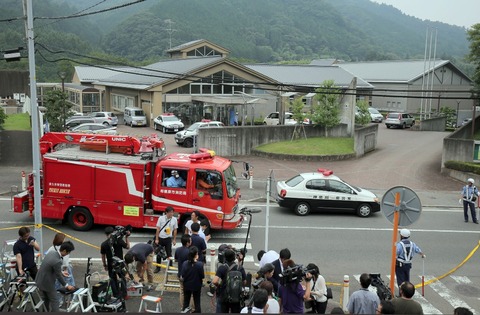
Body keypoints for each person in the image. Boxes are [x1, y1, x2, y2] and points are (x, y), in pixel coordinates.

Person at [35, 241, 75, 312]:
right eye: (68, 252)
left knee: (45, 299)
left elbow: (51, 268)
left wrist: (62, 273)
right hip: (47, 283)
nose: (68, 254)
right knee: (55, 301)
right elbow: (58, 276)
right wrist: (66, 285)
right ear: (65, 251)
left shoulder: (51, 253)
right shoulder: (57, 261)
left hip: (40, 280)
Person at [212, 248, 247, 313]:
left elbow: (214, 281)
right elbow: (245, 282)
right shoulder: (240, 268)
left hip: (225, 295)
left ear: (225, 257)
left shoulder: (222, 267)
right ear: (234, 257)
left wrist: (219, 284)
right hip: (236, 295)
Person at [100, 226, 130, 298]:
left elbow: (103, 256)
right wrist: (126, 237)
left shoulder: (104, 244)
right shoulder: (118, 240)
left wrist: (105, 265)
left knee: (112, 279)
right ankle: (124, 295)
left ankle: (116, 294)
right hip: (120, 263)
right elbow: (128, 247)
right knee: (123, 277)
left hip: (111, 263)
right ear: (113, 232)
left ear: (106, 234)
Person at [180, 246, 204, 313]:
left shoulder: (185, 263)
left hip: (187, 285)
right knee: (197, 301)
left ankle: (185, 311)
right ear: (196, 255)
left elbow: (183, 275)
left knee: (186, 301)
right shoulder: (199, 265)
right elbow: (202, 276)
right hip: (197, 285)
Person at [154, 206, 178, 273]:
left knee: (169, 254)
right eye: (170, 212)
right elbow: (158, 229)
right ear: (166, 212)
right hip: (161, 238)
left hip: (168, 239)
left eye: (172, 212)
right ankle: (158, 268)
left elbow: (175, 230)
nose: (172, 214)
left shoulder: (174, 219)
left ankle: (170, 268)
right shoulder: (161, 218)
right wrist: (156, 239)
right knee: (159, 254)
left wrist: (174, 239)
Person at [175, 234, 192, 310]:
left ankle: (183, 307)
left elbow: (176, 260)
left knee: (182, 291)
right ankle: (190, 308)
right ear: (187, 243)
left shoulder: (178, 250)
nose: (191, 241)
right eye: (190, 240)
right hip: (188, 275)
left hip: (180, 274)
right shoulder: (189, 252)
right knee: (190, 293)